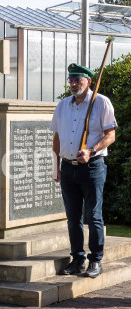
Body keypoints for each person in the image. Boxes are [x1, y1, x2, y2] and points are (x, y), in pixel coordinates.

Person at [51, 63, 117, 278]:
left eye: (77, 79)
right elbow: (57, 137)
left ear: (89, 81)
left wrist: (91, 150)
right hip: (67, 168)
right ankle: (77, 259)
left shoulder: (101, 102)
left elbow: (110, 135)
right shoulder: (62, 105)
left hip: (92, 168)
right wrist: (56, 167)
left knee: (94, 216)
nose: (73, 83)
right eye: (70, 79)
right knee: (73, 217)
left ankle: (95, 260)